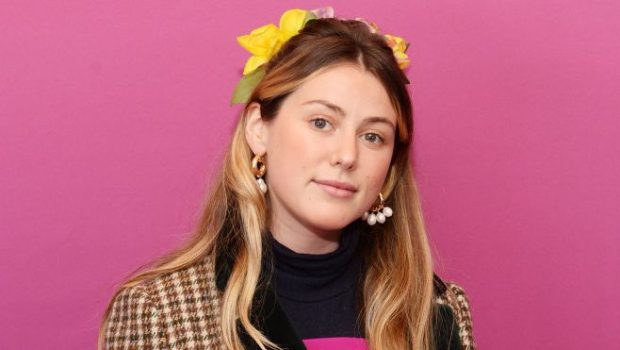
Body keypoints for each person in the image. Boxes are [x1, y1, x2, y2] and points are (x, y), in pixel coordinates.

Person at [99, 7, 476, 350]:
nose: (347, 155)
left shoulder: (439, 310)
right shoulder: (160, 312)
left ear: (391, 166)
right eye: (321, 122)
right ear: (259, 130)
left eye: (372, 136)